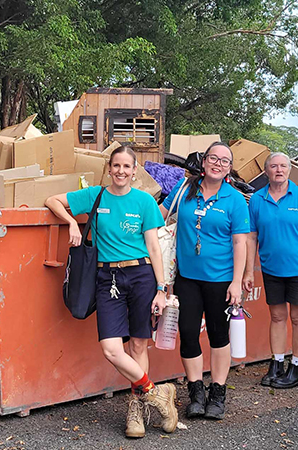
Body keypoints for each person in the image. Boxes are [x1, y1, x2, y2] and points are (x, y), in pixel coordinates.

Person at [45, 146, 177, 439]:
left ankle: (137, 410)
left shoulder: (144, 201)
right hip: (108, 277)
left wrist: (161, 288)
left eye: (126, 167)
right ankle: (156, 393)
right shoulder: (96, 196)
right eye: (116, 165)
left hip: (142, 276)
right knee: (111, 349)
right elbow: (52, 200)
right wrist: (70, 222)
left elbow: (155, 248)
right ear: (109, 168)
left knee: (138, 347)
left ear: (134, 170)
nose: (120, 171)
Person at [159, 142, 249, 420]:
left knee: (218, 336)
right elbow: (159, 216)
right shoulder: (185, 189)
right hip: (187, 277)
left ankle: (218, 392)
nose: (218, 164)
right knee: (187, 332)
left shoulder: (234, 199)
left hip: (221, 280)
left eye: (224, 161)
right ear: (204, 161)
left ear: (229, 168)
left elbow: (240, 242)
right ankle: (196, 391)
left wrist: (237, 282)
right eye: (213, 158)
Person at [244, 152, 298, 389]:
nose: (279, 170)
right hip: (271, 269)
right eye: (274, 166)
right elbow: (251, 236)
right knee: (277, 316)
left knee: (297, 318)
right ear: (266, 171)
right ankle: (277, 363)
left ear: (289, 169)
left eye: (283, 166)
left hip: (296, 269)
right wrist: (248, 272)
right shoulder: (257, 199)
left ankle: (295, 365)